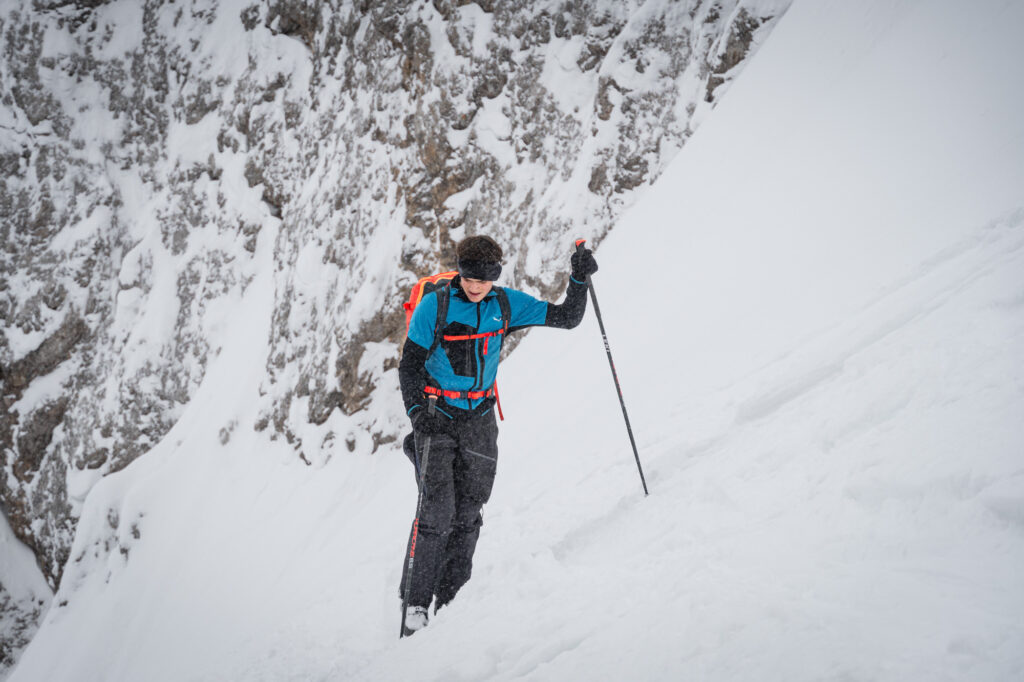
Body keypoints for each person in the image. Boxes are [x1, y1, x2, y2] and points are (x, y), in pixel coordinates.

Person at [398, 235, 598, 635]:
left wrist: (578, 280)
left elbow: (566, 318)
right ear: (460, 271)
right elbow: (410, 367)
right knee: (437, 513)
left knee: (470, 513)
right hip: (437, 417)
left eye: (483, 280)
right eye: (469, 278)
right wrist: (420, 415)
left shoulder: (505, 305)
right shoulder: (434, 307)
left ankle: (452, 599)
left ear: (495, 277)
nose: (475, 287)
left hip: (480, 421)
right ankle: (416, 605)